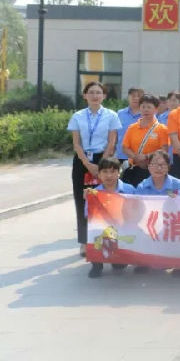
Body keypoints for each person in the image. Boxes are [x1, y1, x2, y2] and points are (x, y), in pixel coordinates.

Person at [67, 81, 121, 256]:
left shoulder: (111, 115)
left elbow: (112, 141)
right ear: (85, 95)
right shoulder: (78, 116)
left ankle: (107, 239)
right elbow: (76, 143)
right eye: (91, 92)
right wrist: (87, 164)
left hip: (104, 160)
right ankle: (84, 242)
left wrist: (102, 164)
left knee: (106, 201)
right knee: (82, 200)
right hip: (82, 160)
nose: (95, 96)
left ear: (104, 96)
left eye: (99, 92)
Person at [86, 157, 134, 278]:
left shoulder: (129, 189)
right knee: (92, 230)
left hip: (124, 228)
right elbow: (88, 215)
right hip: (103, 229)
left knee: (119, 266)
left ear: (119, 172)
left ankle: (119, 256)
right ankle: (97, 263)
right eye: (105, 172)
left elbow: (137, 211)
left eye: (113, 171)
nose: (109, 175)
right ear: (99, 174)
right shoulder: (93, 193)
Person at [121, 94, 169, 187]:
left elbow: (164, 150)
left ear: (156, 109)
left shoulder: (162, 129)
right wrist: (136, 158)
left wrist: (146, 157)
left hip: (153, 170)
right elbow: (124, 147)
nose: (145, 110)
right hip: (133, 168)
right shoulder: (132, 127)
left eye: (149, 107)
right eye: (143, 107)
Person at [115, 87, 144, 165]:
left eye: (139, 96)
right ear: (128, 97)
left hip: (140, 157)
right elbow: (115, 135)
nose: (136, 98)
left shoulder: (147, 115)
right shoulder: (120, 113)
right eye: (133, 96)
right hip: (120, 155)